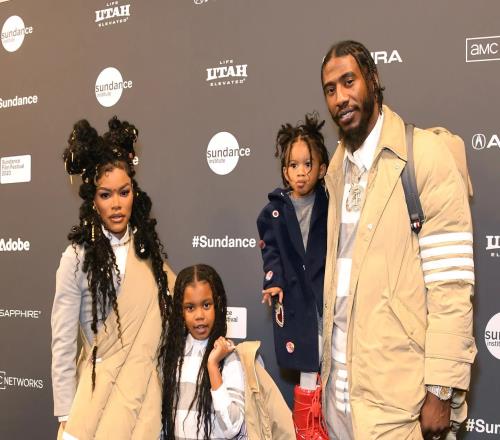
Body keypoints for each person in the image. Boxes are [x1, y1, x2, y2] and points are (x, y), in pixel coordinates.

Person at [319, 40, 476, 439]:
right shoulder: (336, 170)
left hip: (400, 408)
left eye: (349, 81)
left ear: (373, 79)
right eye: (330, 89)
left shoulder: (425, 155)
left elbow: (451, 287)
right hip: (339, 404)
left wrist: (441, 391)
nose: (340, 97)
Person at [51, 117, 176, 439]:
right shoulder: (75, 258)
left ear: (135, 193)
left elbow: (174, 312)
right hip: (96, 400)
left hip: (143, 399)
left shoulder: (148, 253)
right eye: (106, 195)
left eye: (124, 192)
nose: (117, 204)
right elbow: (63, 342)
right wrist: (66, 413)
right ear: (93, 200)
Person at [256, 113, 329, 439]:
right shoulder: (274, 211)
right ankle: (307, 429)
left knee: (332, 360)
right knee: (308, 362)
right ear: (285, 171)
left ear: (322, 168)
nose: (301, 172)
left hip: (327, 298)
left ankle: (330, 422)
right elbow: (270, 250)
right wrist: (273, 281)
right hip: (296, 300)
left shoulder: (331, 203)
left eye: (307, 164)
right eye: (293, 165)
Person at [160, 264, 246, 439]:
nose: (199, 315)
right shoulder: (172, 356)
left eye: (206, 305)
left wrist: (212, 366)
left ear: (217, 305)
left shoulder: (228, 356)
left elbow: (232, 427)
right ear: (181, 311)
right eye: (190, 307)